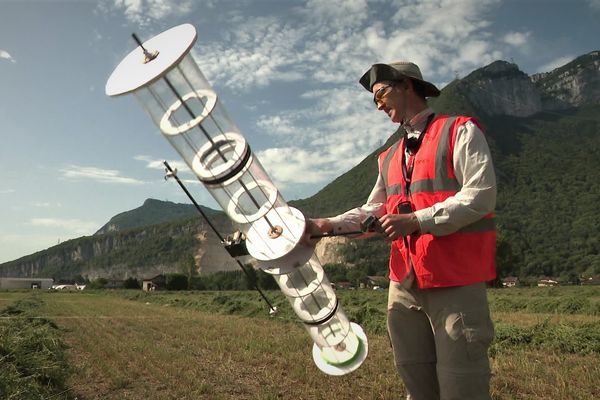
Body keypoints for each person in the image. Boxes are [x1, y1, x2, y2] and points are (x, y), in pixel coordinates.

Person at [307, 61, 497, 400]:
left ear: (407, 85)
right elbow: (374, 211)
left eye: (381, 94)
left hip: (454, 280)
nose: (378, 104)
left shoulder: (461, 131)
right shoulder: (388, 157)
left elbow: (480, 197)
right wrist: (328, 225)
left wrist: (416, 220)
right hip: (404, 283)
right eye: (374, 100)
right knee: (414, 381)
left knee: (461, 384)